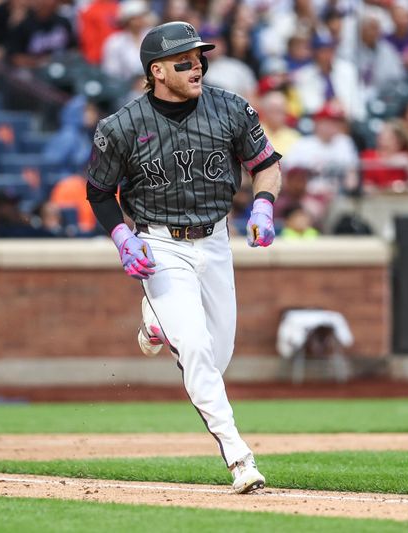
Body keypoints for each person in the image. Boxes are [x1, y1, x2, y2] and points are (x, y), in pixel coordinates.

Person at [86, 21, 281, 494]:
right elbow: (98, 192)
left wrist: (263, 204)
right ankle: (239, 457)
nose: (196, 67)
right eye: (183, 61)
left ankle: (155, 324)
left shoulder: (231, 108)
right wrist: (121, 238)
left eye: (199, 59)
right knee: (193, 347)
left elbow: (266, 165)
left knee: (218, 355)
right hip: (159, 243)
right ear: (156, 71)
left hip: (215, 240)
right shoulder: (121, 126)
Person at [293, 33, 364, 121]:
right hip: (320, 122)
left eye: (330, 49)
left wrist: (344, 109)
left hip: (347, 119)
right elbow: (310, 106)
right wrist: (330, 108)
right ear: (315, 53)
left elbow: (355, 101)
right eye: (323, 51)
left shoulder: (347, 69)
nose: (328, 54)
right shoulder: (304, 75)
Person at [6, 0, 75, 69]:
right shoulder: (24, 25)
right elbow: (14, 57)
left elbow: (73, 49)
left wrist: (61, 59)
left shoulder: (63, 22)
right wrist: (39, 62)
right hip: (33, 71)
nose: (50, 3)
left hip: (62, 68)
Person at [100, 0, 152, 84]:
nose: (139, 21)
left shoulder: (152, 35)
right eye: (134, 18)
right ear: (126, 21)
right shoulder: (114, 42)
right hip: (125, 88)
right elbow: (111, 72)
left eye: (141, 17)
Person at [360, 120, 408, 192]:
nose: (383, 138)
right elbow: (367, 186)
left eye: (390, 137)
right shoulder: (368, 156)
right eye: (382, 135)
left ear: (399, 141)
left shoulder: (406, 158)